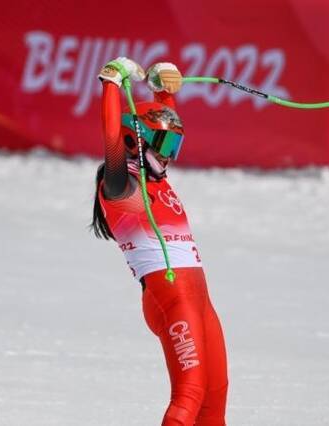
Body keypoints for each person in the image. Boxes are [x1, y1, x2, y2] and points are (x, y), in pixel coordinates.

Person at [91, 57, 228, 426]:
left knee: (213, 406)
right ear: (135, 142)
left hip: (199, 300)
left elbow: (166, 122)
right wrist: (112, 84)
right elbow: (112, 136)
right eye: (163, 145)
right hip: (170, 299)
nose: (168, 155)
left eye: (174, 146)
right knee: (189, 396)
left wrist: (163, 90)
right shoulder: (122, 185)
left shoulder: (157, 180)